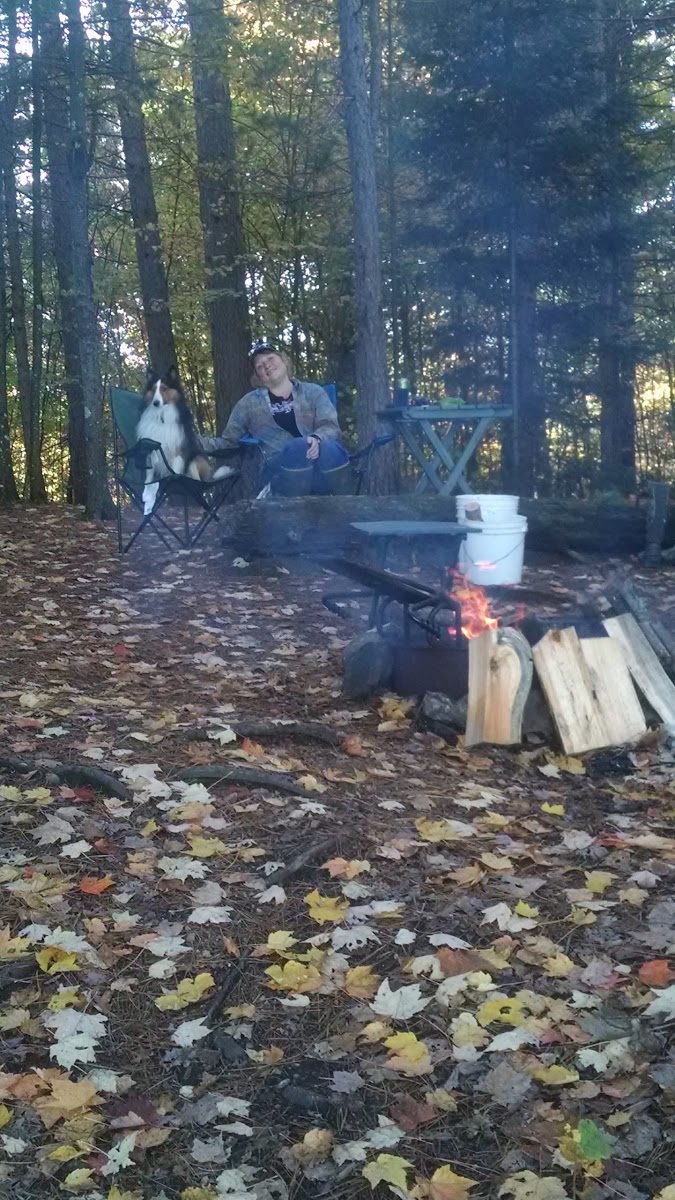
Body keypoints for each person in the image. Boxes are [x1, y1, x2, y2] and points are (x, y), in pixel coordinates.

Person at [205, 342, 352, 496]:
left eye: (271, 358)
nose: (266, 365)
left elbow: (330, 425)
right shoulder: (248, 404)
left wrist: (317, 438)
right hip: (280, 469)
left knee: (330, 449)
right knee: (298, 448)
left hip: (322, 461)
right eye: (260, 366)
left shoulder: (314, 392)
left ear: (284, 361)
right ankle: (296, 506)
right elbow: (229, 442)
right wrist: (193, 443)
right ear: (258, 377)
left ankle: (343, 504)